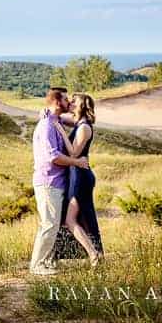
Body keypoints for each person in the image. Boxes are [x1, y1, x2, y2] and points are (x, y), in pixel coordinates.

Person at [29, 88, 90, 275]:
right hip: (48, 182)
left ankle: (46, 262)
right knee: (48, 223)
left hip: (57, 182)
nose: (69, 102)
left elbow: (75, 120)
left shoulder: (54, 120)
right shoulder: (48, 125)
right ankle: (37, 265)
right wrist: (77, 161)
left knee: (53, 223)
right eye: (65, 99)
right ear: (57, 102)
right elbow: (53, 157)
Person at [52, 92, 104, 267]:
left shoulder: (84, 128)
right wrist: (53, 115)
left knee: (70, 219)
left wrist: (61, 132)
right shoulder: (79, 123)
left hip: (81, 177)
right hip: (76, 174)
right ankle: (95, 255)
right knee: (80, 217)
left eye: (75, 102)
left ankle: (93, 255)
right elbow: (61, 119)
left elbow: (74, 153)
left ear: (82, 106)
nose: (71, 104)